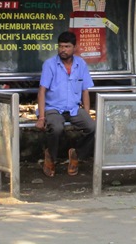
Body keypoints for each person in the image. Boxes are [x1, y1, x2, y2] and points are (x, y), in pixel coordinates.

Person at [36, 31, 96, 177]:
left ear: (74, 48)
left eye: (67, 46)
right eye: (61, 46)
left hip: (74, 108)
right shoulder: (50, 64)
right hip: (53, 108)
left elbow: (85, 91)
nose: (63, 50)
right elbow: (42, 91)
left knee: (94, 127)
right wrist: (41, 117)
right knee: (56, 128)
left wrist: (86, 113)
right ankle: (51, 158)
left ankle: (77, 155)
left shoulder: (80, 64)